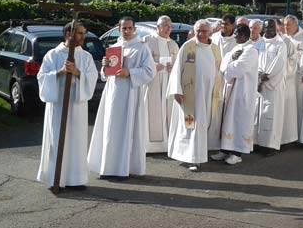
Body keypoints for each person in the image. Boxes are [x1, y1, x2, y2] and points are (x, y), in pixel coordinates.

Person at [88, 17, 156, 180]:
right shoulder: (114, 47)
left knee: (127, 130)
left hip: (130, 95)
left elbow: (150, 71)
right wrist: (105, 67)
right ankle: (108, 167)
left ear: (134, 29)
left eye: (129, 28)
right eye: (123, 28)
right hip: (112, 94)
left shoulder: (141, 48)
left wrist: (130, 72)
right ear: (119, 29)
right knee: (110, 129)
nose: (126, 31)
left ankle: (125, 168)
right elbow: (105, 76)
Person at [37, 22, 98, 190]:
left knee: (77, 140)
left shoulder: (86, 56)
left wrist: (78, 73)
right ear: (68, 34)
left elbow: (92, 77)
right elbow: (42, 77)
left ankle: (76, 180)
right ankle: (56, 179)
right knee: (57, 139)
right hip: (58, 106)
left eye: (83, 33)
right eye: (80, 33)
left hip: (77, 105)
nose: (83, 37)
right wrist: (60, 71)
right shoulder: (53, 55)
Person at [166, 20, 221, 171]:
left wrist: (218, 91)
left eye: (204, 31)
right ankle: (192, 158)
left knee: (202, 125)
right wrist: (176, 90)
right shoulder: (188, 46)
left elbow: (218, 72)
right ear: (194, 31)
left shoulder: (215, 49)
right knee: (191, 125)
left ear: (210, 32)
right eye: (199, 31)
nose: (201, 34)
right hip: (190, 94)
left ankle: (200, 155)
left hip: (207, 94)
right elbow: (177, 69)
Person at [211, 24, 258, 164]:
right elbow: (223, 65)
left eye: (236, 33)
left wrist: (230, 63)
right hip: (230, 90)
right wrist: (231, 59)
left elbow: (239, 69)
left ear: (244, 34)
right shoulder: (236, 48)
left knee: (238, 121)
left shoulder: (251, 50)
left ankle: (237, 153)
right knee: (227, 121)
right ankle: (225, 149)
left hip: (242, 92)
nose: (234, 36)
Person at [143, 16, 179, 153]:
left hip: (168, 82)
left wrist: (172, 68)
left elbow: (178, 64)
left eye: (170, 27)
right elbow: (141, 61)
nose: (168, 29)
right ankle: (150, 146)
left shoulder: (173, 44)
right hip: (152, 82)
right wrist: (153, 66)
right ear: (157, 27)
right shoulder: (147, 41)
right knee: (151, 112)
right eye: (165, 26)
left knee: (167, 111)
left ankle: (167, 144)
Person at [256, 19, 287, 155]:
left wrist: (264, 77)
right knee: (258, 114)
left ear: (276, 29)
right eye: (266, 27)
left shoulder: (281, 44)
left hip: (272, 85)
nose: (268, 30)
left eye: (271, 28)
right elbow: (255, 59)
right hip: (259, 83)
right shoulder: (260, 42)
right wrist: (258, 76)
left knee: (271, 115)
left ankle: (270, 146)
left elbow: (279, 64)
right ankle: (257, 142)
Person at [284, 15, 303, 130]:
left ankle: (299, 130)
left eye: (289, 25)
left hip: (299, 76)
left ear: (296, 25)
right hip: (287, 76)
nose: (286, 27)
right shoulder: (283, 38)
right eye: (285, 25)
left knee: (299, 103)